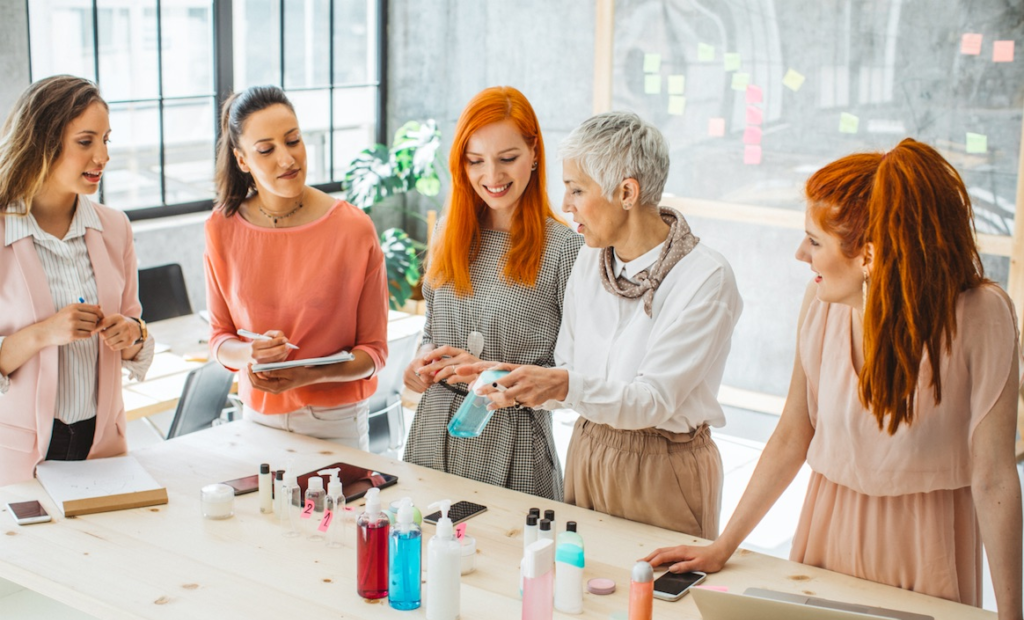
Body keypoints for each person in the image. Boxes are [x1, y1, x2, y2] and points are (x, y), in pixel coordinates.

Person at [643, 139, 1024, 620]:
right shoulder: (821, 305)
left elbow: (995, 476)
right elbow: (791, 436)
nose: (801, 255)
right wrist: (722, 546)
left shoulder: (983, 315)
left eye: (813, 241)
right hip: (829, 526)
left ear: (868, 255)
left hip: (927, 543)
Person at [472, 112, 742, 538]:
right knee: (573, 590)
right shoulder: (587, 260)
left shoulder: (704, 278)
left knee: (659, 599)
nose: (565, 205)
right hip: (588, 449)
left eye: (577, 189)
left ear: (627, 192)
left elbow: (652, 401)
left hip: (663, 465)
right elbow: (571, 371)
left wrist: (562, 385)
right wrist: (515, 381)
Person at [402, 86, 582, 499]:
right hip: (432, 433)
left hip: (514, 444)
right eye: (475, 161)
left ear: (534, 153)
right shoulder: (447, 233)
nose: (492, 177)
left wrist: (491, 373)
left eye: (507, 159)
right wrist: (419, 364)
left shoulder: (565, 250)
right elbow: (434, 328)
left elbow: (575, 376)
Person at [205, 85, 387, 451]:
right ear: (242, 160)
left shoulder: (352, 228)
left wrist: (305, 375)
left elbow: (374, 352)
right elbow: (219, 337)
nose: (287, 159)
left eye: (293, 141)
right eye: (266, 150)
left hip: (336, 420)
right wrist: (249, 355)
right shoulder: (221, 228)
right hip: (257, 416)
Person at [0, 75, 154, 485]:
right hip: (18, 456)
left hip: (102, 446)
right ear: (43, 142)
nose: (102, 155)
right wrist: (44, 333)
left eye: (106, 140)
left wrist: (131, 334)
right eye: (86, 142)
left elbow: (137, 329)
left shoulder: (115, 227)